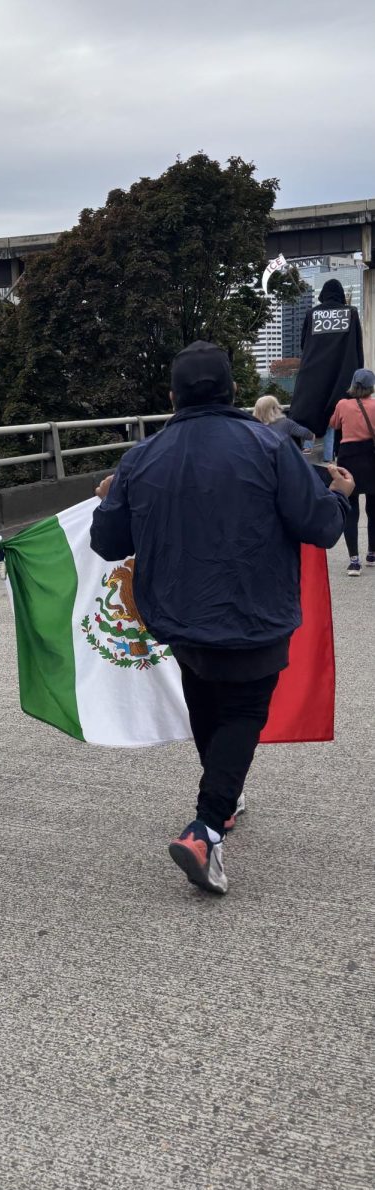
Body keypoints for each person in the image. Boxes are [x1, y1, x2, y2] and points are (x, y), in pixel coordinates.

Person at [90, 341, 353, 896]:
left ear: (171, 396)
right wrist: (342, 497)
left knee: (207, 701)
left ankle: (223, 802)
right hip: (255, 610)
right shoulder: (269, 445)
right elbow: (320, 528)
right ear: (233, 391)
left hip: (177, 614)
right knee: (242, 714)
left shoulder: (142, 457)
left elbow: (108, 540)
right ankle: (206, 829)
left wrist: (111, 498)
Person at [289, 277, 363, 443]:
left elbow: (303, 344)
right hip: (342, 376)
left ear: (323, 294)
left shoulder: (312, 314)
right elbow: (358, 346)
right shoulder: (351, 312)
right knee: (344, 425)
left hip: (313, 377)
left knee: (299, 417)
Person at [329, 367, 375, 577]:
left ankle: (354, 561)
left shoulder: (342, 404)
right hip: (371, 455)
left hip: (349, 457)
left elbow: (334, 424)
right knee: (373, 509)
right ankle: (372, 553)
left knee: (351, 509)